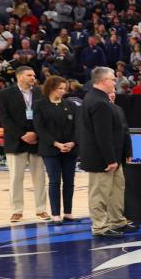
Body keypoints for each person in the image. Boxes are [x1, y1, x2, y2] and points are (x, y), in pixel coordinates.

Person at [78, 67, 134, 239]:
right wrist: (110, 159)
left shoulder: (100, 99)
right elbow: (102, 135)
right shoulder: (99, 102)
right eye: (112, 79)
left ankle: (117, 220)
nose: (114, 82)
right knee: (99, 192)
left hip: (113, 156)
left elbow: (117, 131)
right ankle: (100, 226)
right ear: (103, 81)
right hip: (102, 159)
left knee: (116, 190)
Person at [0, 65, 49, 222]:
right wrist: (22, 135)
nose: (33, 77)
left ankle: (41, 209)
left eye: (33, 75)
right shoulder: (5, 94)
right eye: (29, 75)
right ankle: (17, 210)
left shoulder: (40, 92)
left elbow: (44, 116)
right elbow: (4, 118)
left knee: (39, 177)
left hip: (36, 140)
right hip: (15, 141)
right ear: (20, 77)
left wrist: (36, 133)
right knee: (15, 178)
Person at [33, 75, 80, 224]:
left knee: (69, 182)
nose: (63, 91)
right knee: (54, 181)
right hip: (50, 149)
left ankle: (68, 212)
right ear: (51, 88)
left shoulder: (70, 105)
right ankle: (55, 214)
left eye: (64, 89)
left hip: (70, 149)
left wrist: (72, 142)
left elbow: (77, 127)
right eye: (60, 88)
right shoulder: (40, 105)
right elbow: (40, 128)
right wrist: (56, 144)